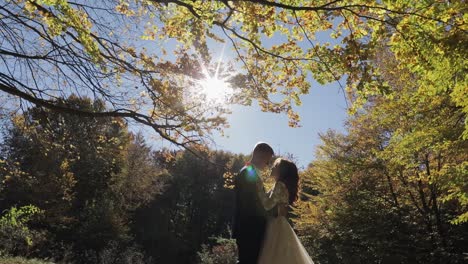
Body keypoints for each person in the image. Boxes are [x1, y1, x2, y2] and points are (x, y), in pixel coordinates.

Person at [256, 158, 315, 264]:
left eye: (275, 166)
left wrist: (258, 187)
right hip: (281, 224)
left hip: (275, 224)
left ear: (281, 171)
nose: (272, 167)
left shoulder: (280, 185)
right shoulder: (281, 185)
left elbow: (267, 205)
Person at [232, 142, 274, 264]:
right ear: (258, 155)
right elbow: (250, 203)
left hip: (250, 227)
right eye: (267, 160)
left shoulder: (251, 172)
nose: (267, 164)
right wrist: (268, 216)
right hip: (249, 228)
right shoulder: (248, 172)